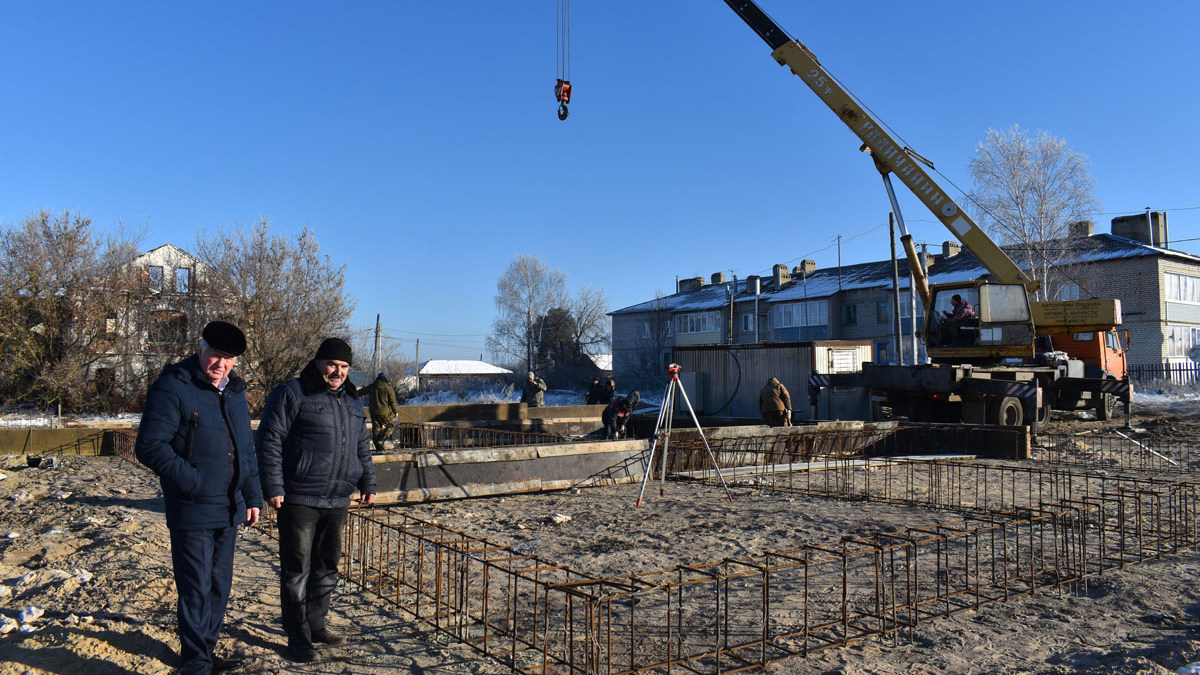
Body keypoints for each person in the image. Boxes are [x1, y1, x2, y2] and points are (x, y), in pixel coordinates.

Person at [134, 321, 262, 675]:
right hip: (192, 508)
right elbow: (149, 446)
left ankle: (205, 650)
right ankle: (194, 662)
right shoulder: (174, 386)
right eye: (216, 355)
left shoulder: (235, 393)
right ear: (201, 347)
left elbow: (245, 449)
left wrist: (252, 495)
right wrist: (192, 480)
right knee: (195, 588)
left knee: (219, 586)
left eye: (229, 358)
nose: (221, 364)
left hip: (230, 507)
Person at [256, 337, 377, 664]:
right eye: (332, 365)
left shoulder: (352, 401)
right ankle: (298, 636)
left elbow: (362, 446)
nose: (337, 372)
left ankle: (316, 623)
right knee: (297, 569)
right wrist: (273, 484)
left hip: (338, 498)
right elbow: (269, 440)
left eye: (344, 367)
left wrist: (368, 480)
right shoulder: (293, 393)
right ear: (318, 362)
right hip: (299, 497)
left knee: (327, 566)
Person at [366, 372, 399, 451]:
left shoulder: (372, 386)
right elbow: (393, 402)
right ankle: (383, 438)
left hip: (374, 413)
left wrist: (351, 392)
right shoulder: (388, 388)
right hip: (384, 412)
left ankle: (378, 448)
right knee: (390, 425)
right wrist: (396, 411)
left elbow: (361, 392)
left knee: (376, 431)